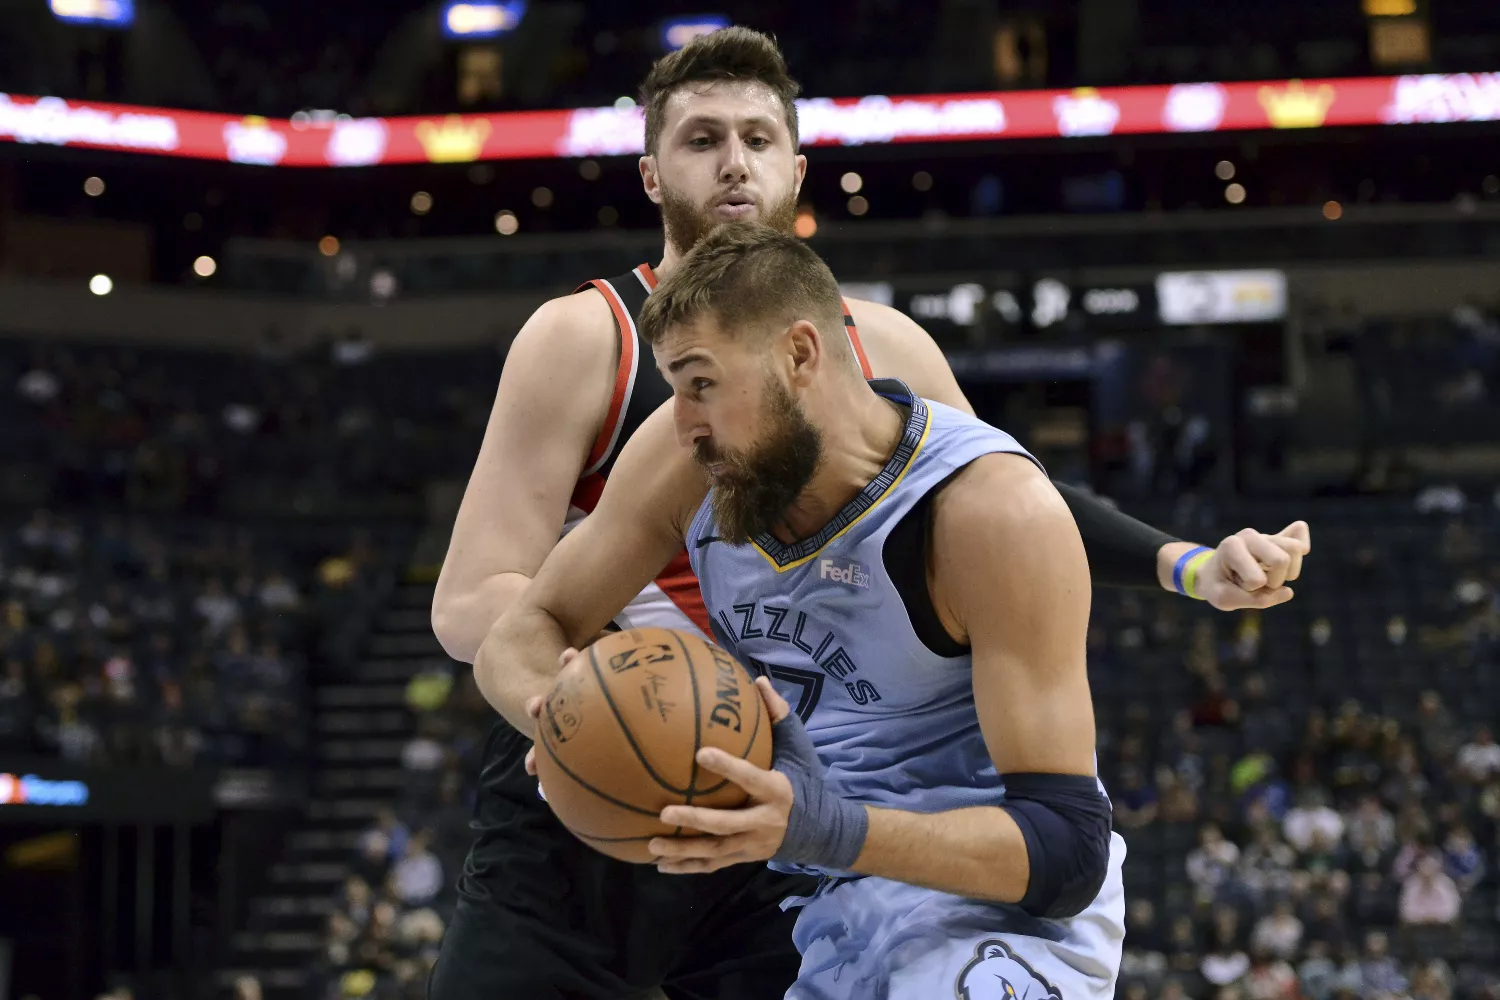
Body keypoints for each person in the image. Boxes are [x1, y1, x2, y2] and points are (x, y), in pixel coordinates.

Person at [429, 27, 1313, 1000]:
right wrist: (619, 693)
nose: (734, 164)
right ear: (649, 173)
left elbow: (999, 502)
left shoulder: (887, 348)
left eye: (758, 139)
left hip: (788, 782)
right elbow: (479, 607)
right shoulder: (597, 346)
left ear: (798, 171)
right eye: (703, 140)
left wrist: (1186, 562)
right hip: (622, 751)